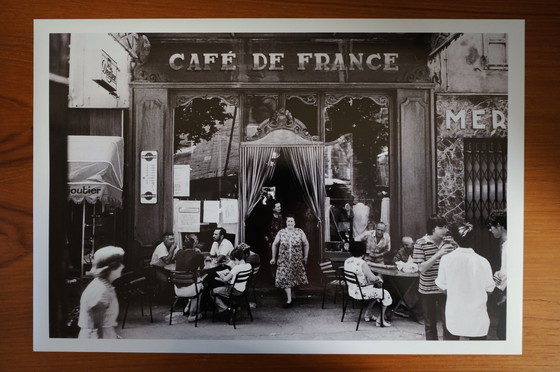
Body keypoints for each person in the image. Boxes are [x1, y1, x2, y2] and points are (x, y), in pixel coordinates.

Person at [436, 222, 495, 340]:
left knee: (451, 352)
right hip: (477, 317)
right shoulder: (483, 261)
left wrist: (456, 291)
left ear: (453, 239)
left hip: (455, 315)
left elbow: (441, 287)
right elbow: (489, 290)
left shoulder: (446, 260)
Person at [412, 214, 456, 340]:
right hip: (427, 289)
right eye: (441, 227)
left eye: (446, 227)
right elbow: (421, 268)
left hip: (446, 289)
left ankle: (449, 353)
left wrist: (456, 247)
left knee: (449, 323)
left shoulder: (449, 242)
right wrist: (439, 253)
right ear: (432, 229)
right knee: (430, 324)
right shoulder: (420, 243)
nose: (445, 230)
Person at [77, 246, 125, 339]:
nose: (123, 266)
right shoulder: (100, 290)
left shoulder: (105, 285)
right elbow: (97, 329)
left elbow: (105, 323)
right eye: (120, 264)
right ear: (110, 268)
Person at [344, 242, 393, 327]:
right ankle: (380, 320)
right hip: (361, 292)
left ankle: (368, 314)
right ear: (363, 252)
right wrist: (378, 278)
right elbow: (372, 278)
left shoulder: (347, 261)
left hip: (352, 290)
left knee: (375, 289)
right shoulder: (362, 263)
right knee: (385, 293)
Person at [270, 215, 309, 308]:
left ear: (295, 223)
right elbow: (274, 244)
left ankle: (293, 294)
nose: (290, 223)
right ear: (286, 223)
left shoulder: (299, 232)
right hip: (283, 260)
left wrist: (306, 256)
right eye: (288, 221)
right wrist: (273, 258)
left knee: (297, 279)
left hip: (296, 261)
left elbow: (306, 244)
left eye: (292, 221)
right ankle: (289, 300)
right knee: (285, 279)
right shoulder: (281, 232)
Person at [212, 247, 253, 314]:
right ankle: (231, 307)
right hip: (243, 290)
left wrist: (222, 275)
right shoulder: (249, 266)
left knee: (212, 291)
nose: (233, 263)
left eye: (233, 261)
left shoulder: (236, 268)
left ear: (236, 259)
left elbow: (225, 279)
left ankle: (226, 309)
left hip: (233, 290)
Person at [174, 236, 205, 322]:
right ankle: (192, 313)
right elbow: (202, 268)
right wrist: (199, 253)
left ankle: (188, 307)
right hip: (191, 289)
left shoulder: (178, 253)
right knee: (201, 287)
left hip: (177, 288)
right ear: (194, 244)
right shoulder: (198, 254)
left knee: (195, 285)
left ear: (184, 245)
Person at [488, 209, 508, 340]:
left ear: (500, 226)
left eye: (492, 226)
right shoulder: (507, 244)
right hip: (506, 289)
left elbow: (509, 274)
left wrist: (499, 291)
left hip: (507, 291)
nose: (490, 230)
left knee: (502, 332)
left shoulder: (509, 246)